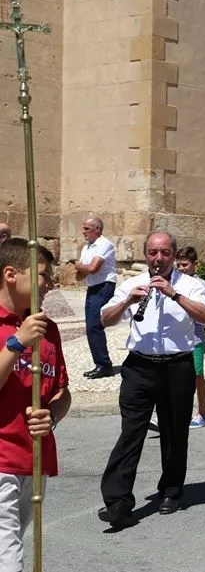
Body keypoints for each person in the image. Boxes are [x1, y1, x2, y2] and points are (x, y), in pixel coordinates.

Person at [98, 231, 205, 525]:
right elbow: (105, 319)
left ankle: (171, 490)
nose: (158, 259)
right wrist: (127, 302)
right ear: (146, 255)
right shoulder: (132, 284)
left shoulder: (193, 285)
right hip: (139, 367)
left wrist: (174, 294)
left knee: (175, 433)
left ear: (173, 255)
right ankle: (117, 502)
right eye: (152, 253)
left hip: (177, 366)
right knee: (131, 433)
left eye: (164, 253)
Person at [0, 239, 70, 572]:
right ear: (11, 274)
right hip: (1, 459)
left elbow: (62, 392)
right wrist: (17, 342)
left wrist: (52, 416)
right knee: (8, 557)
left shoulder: (48, 329)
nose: (49, 284)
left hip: (35, 458)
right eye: (42, 274)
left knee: (11, 543)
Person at [175, 248, 205, 429]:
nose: (181, 268)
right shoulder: (173, 283)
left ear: (195, 264)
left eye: (185, 264)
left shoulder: (202, 285)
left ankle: (202, 412)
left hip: (195, 337)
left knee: (197, 374)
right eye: (178, 265)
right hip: (177, 336)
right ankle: (173, 413)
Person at [75, 216, 117, 380]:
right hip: (92, 287)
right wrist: (82, 268)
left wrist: (80, 266)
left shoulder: (104, 244)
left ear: (97, 229)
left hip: (104, 286)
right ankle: (101, 363)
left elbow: (93, 268)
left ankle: (104, 365)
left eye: (87, 228)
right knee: (91, 326)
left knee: (95, 325)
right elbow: (79, 276)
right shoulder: (86, 248)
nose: (83, 232)